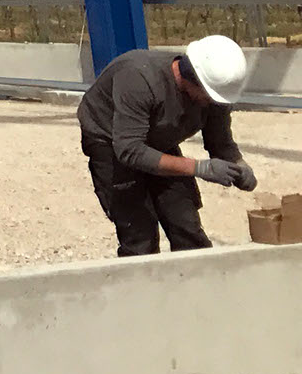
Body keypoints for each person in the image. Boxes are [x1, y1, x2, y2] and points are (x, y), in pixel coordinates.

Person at [76, 34, 256, 256]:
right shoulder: (139, 78)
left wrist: (238, 164)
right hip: (111, 141)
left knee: (186, 224)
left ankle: (195, 276)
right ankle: (142, 276)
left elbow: (220, 140)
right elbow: (130, 150)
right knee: (140, 236)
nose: (212, 102)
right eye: (209, 96)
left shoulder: (212, 94)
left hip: (158, 138)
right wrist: (200, 168)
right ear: (191, 77)